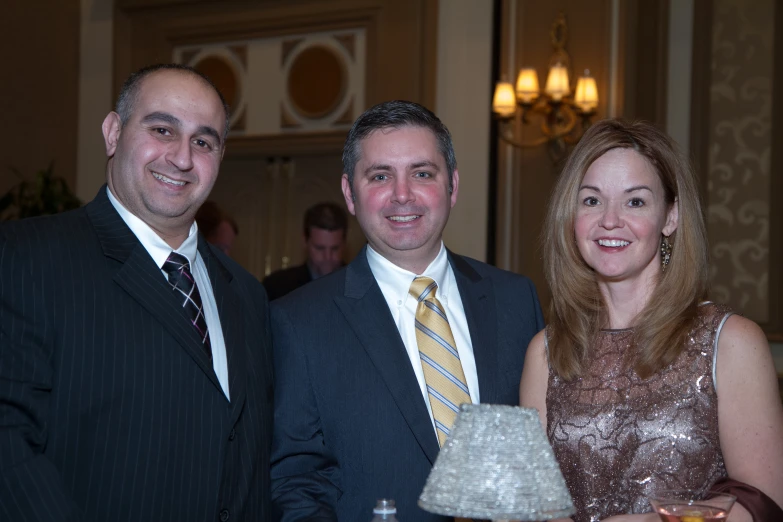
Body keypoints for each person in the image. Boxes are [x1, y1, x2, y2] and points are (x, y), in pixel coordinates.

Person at [0, 64, 274, 521]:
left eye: (204, 141)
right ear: (112, 133)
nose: (182, 158)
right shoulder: (25, 258)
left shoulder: (246, 294)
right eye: (163, 129)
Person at [271, 100, 545, 522]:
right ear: (349, 192)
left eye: (422, 173)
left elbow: (544, 456)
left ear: (452, 185)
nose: (402, 194)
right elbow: (296, 482)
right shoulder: (298, 322)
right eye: (380, 176)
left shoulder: (515, 300)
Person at [519, 119, 783, 522]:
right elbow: (535, 505)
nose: (610, 220)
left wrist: (658, 520)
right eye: (591, 200)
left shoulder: (730, 341)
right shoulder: (547, 351)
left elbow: (764, 501)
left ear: (671, 217)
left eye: (635, 201)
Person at [262, 202, 348, 300]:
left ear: (344, 244)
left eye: (335, 248)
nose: (327, 257)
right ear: (305, 241)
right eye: (319, 248)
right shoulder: (277, 287)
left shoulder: (362, 286)